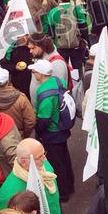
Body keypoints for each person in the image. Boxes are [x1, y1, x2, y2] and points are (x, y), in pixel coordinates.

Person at [29, 59, 74, 200]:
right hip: (62, 127)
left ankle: (63, 192)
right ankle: (70, 185)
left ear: (41, 74)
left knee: (56, 163)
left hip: (52, 132)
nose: (33, 74)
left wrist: (38, 131)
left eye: (34, 71)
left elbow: (44, 118)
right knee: (64, 158)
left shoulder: (44, 91)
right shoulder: (57, 81)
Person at [0, 138, 64, 214]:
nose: (44, 159)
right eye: (39, 157)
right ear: (24, 161)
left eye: (44, 154)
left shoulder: (44, 165)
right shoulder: (9, 191)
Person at [0, 67, 36, 138]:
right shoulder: (21, 98)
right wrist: (23, 135)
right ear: (8, 81)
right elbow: (30, 121)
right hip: (18, 138)